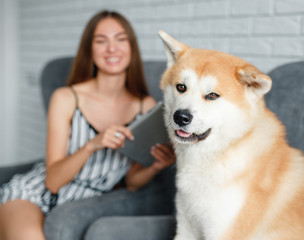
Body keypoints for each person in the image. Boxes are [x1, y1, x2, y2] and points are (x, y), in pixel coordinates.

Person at [0, 10, 175, 240]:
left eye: (120, 39)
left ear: (131, 47)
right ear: (89, 50)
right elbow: (52, 182)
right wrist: (92, 144)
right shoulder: (66, 98)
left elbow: (131, 183)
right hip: (32, 194)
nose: (112, 49)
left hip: (82, 201)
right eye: (101, 41)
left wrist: (155, 166)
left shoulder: (145, 106)